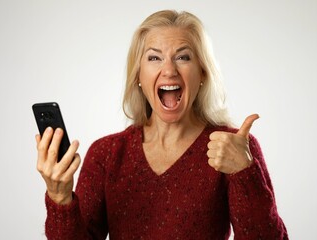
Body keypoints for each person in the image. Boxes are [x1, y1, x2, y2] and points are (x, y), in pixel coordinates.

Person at [35, 10, 288, 240]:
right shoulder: (107, 154)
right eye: (154, 58)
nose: (169, 70)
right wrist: (60, 199)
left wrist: (245, 173)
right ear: (139, 77)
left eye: (183, 57)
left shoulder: (233, 148)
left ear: (202, 73)